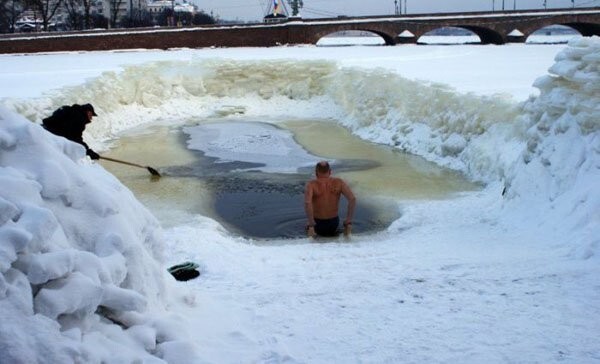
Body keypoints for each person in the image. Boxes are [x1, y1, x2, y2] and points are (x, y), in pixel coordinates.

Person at [304, 161, 356, 238]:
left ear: (316, 172)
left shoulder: (311, 184)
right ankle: (347, 227)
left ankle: (311, 231)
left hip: (318, 224)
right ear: (330, 171)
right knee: (334, 233)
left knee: (306, 227)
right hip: (334, 223)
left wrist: (311, 223)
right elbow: (352, 199)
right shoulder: (339, 182)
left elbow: (308, 203)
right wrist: (348, 220)